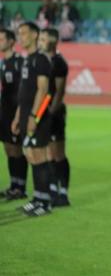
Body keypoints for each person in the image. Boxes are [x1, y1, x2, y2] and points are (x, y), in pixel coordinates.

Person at [12, 22, 55, 216]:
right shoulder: (27, 59)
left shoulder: (41, 60)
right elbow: (24, 93)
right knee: (30, 154)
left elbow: (43, 89)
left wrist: (33, 116)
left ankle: (44, 202)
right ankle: (37, 198)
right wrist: (17, 116)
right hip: (25, 115)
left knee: (38, 156)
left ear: (35, 35)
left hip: (36, 117)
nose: (21, 37)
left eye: (24, 33)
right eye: (19, 34)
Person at [38, 28, 71, 207]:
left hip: (54, 113)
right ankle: (51, 188)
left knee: (58, 153)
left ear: (53, 40)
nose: (40, 41)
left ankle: (63, 192)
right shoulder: (41, 60)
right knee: (47, 153)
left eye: (43, 38)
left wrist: (51, 112)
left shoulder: (59, 63)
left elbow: (58, 92)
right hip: (42, 112)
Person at [0, 28, 27, 200]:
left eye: (1, 38)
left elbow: (23, 92)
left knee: (17, 149)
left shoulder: (19, 62)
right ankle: (13, 185)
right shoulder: (2, 63)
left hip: (16, 111)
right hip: (4, 110)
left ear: (11, 41)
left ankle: (21, 188)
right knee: (8, 149)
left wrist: (18, 115)